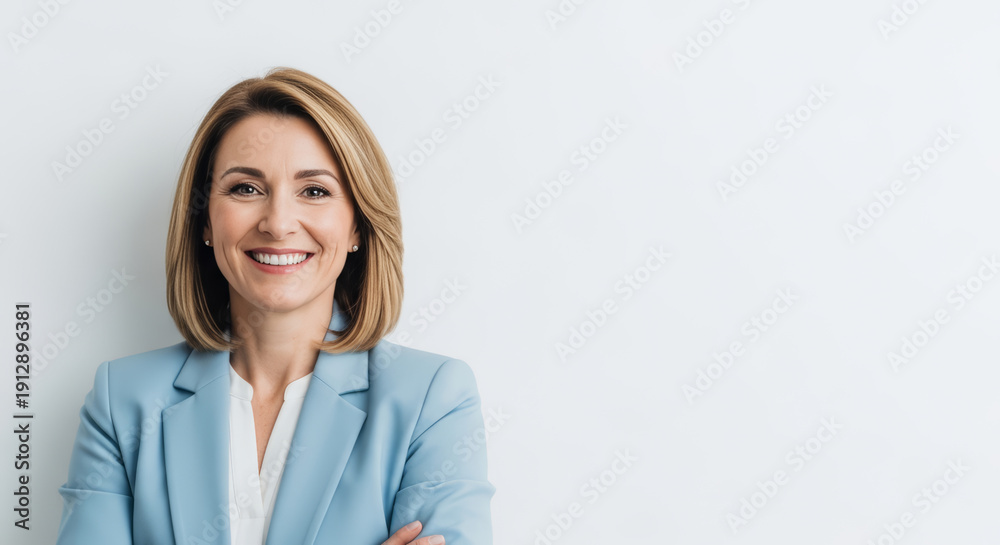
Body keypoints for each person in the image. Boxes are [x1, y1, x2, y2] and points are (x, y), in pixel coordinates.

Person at [54, 67, 495, 545]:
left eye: (315, 191)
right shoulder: (122, 400)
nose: (279, 223)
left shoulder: (432, 399)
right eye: (246, 188)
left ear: (357, 226)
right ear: (205, 220)